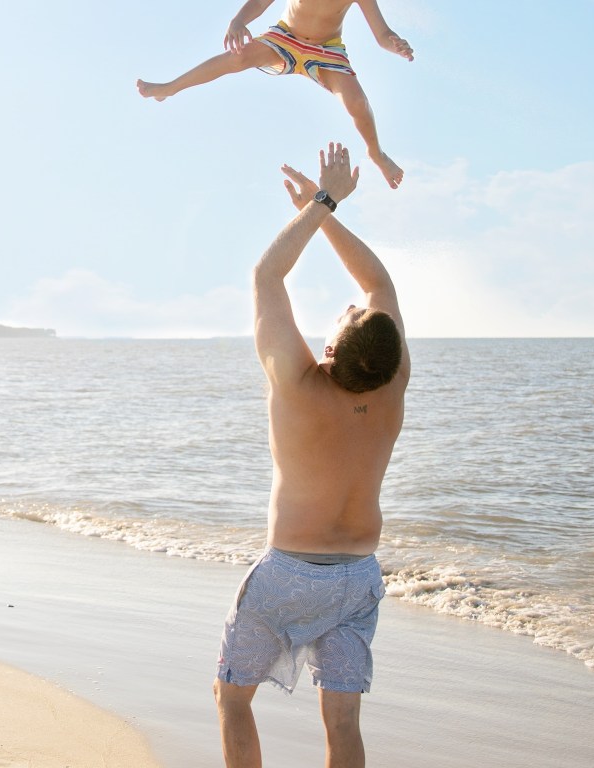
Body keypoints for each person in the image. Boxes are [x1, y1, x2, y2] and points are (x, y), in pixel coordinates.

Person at [216, 142, 409, 767]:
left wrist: (322, 202)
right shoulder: (393, 382)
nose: (353, 304)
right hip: (358, 576)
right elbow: (379, 284)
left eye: (346, 315)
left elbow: (267, 276)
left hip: (290, 574)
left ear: (332, 348)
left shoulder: (299, 386)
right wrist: (323, 211)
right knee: (344, 719)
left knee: (234, 700)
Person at [136, 0, 415, 189]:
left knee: (356, 102)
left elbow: (382, 33)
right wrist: (237, 21)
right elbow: (259, 3)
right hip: (285, 38)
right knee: (238, 57)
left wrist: (395, 44)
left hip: (325, 50)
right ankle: (169, 88)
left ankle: (375, 153)